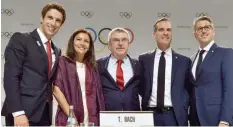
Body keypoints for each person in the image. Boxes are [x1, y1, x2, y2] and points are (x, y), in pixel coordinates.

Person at [1, 2, 66, 126]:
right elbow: (11, 77)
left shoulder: (57, 50)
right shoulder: (21, 39)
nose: (53, 23)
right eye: (50, 17)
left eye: (58, 20)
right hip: (22, 114)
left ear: (61, 25)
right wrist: (18, 113)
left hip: (44, 115)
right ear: (42, 18)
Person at [139, 18, 190, 126]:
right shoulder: (144, 59)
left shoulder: (184, 61)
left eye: (169, 30)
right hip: (149, 114)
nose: (165, 33)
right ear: (154, 34)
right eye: (161, 29)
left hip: (174, 116)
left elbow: (189, 89)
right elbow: (141, 86)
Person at [53, 29, 105, 126]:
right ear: (72, 43)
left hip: (91, 118)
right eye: (78, 39)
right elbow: (56, 89)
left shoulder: (93, 67)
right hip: (69, 117)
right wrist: (71, 115)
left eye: (86, 41)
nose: (82, 43)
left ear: (90, 46)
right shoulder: (62, 62)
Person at [189, 16, 233, 126]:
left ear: (213, 32)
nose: (203, 30)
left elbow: (230, 88)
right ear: (195, 34)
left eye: (207, 27)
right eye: (199, 29)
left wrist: (225, 120)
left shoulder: (226, 54)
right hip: (195, 119)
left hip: (216, 119)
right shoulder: (191, 59)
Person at [97, 27, 141, 111]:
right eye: (116, 40)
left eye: (124, 40)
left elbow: (144, 91)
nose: (120, 43)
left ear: (128, 43)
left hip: (133, 118)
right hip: (107, 118)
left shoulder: (138, 65)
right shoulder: (99, 65)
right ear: (110, 44)